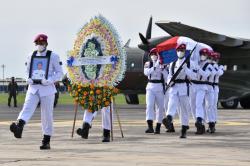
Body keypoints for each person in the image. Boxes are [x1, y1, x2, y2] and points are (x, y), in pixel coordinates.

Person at [9, 34, 63, 150]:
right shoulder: (31, 55)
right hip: (33, 87)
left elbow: (59, 73)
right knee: (27, 107)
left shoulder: (53, 56)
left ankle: (46, 140)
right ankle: (19, 127)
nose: (40, 45)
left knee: (46, 115)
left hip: (47, 89)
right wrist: (27, 78)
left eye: (42, 43)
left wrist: (49, 80)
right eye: (38, 43)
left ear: (46, 44)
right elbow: (27, 70)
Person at [164, 44, 195, 138]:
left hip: (184, 88)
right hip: (174, 87)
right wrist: (170, 81)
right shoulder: (173, 64)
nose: (180, 52)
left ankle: (184, 129)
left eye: (182, 50)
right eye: (178, 50)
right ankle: (168, 119)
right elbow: (169, 76)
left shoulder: (189, 63)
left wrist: (186, 69)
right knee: (171, 104)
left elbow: (193, 76)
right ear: (176, 52)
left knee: (184, 109)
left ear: (185, 52)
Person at [143, 48, 167, 134]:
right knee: (149, 106)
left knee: (160, 108)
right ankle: (150, 127)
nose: (153, 56)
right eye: (152, 54)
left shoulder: (162, 64)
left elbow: (166, 77)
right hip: (150, 86)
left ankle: (158, 127)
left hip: (159, 87)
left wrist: (162, 69)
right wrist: (154, 67)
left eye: (155, 54)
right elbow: (146, 73)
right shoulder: (148, 64)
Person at [192, 48, 213, 134]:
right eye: (201, 54)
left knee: (199, 104)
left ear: (207, 56)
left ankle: (200, 120)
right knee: (193, 106)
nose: (203, 56)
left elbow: (206, 74)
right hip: (193, 86)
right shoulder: (196, 63)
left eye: (204, 55)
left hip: (202, 86)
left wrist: (198, 69)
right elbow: (192, 74)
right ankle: (199, 124)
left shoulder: (209, 66)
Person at [206, 51, 224, 133]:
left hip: (214, 87)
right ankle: (210, 122)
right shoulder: (208, 66)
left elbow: (219, 73)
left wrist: (214, 66)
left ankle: (213, 122)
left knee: (212, 106)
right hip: (208, 86)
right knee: (208, 106)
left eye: (215, 58)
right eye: (213, 58)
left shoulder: (219, 66)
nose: (214, 60)